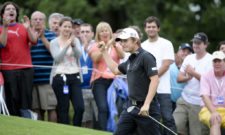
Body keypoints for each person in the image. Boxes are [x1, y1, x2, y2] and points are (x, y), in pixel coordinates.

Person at [99, 27, 161, 135]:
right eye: (121, 41)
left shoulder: (146, 57)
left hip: (146, 109)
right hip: (130, 108)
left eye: (125, 40)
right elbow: (115, 70)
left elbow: (155, 80)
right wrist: (104, 52)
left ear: (135, 40)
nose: (122, 44)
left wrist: (146, 105)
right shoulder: (130, 59)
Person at [0, 1, 37, 118]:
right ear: (2, 15)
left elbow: (34, 41)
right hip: (8, 69)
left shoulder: (23, 27)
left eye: (13, 9)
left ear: (16, 13)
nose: (11, 11)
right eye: (8, 9)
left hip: (26, 69)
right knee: (13, 99)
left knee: (25, 100)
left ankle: (27, 122)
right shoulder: (1, 28)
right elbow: (2, 44)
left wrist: (28, 28)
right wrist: (5, 27)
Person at [141, 16, 176, 134]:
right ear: (145, 29)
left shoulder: (166, 43)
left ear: (158, 29)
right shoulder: (142, 46)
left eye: (153, 27)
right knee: (150, 119)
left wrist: (152, 77)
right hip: (147, 90)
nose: (151, 29)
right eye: (148, 27)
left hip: (163, 89)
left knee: (167, 118)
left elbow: (166, 65)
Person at [173, 32, 213, 135]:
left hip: (199, 104)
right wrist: (187, 77)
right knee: (176, 125)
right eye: (194, 42)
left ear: (205, 45)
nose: (195, 45)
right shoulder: (189, 58)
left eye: (199, 43)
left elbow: (210, 82)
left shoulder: (211, 60)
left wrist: (193, 73)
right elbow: (179, 78)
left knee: (197, 133)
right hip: (184, 100)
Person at [88, 21, 124, 131]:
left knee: (113, 108)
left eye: (106, 30)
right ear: (98, 34)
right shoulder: (94, 45)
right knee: (103, 108)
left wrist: (114, 44)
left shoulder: (116, 45)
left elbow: (122, 55)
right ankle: (102, 131)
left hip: (114, 82)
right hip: (99, 81)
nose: (104, 33)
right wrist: (106, 45)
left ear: (110, 32)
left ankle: (111, 130)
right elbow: (96, 58)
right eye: (102, 31)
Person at [50, 17, 84, 126]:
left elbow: (79, 56)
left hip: (75, 76)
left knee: (80, 107)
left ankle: (76, 129)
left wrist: (73, 45)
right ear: (60, 28)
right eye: (65, 26)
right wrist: (66, 45)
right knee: (63, 108)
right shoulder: (54, 42)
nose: (67, 29)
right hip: (60, 77)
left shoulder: (76, 40)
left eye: (69, 27)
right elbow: (57, 58)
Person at [30, 11, 57, 122]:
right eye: (35, 19)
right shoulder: (27, 34)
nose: (37, 21)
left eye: (40, 19)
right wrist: (32, 39)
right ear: (31, 22)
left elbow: (54, 53)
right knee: (36, 109)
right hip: (32, 79)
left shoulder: (51, 35)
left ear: (44, 22)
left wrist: (43, 38)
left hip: (47, 79)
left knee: (51, 107)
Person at [199, 51, 225, 135]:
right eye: (215, 61)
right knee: (215, 119)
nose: (217, 63)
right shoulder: (206, 76)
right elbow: (204, 96)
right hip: (208, 109)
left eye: (219, 61)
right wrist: (214, 112)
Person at [79, 23, 97, 128]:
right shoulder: (76, 48)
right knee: (85, 119)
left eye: (87, 32)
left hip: (95, 87)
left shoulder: (97, 47)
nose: (85, 34)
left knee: (97, 117)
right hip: (81, 88)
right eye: (82, 32)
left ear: (92, 34)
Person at [170, 43, 193, 111]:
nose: (186, 53)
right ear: (178, 52)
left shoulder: (192, 67)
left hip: (186, 102)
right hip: (169, 101)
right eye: (183, 51)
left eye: (188, 52)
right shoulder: (170, 64)